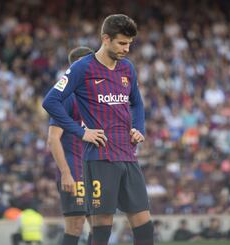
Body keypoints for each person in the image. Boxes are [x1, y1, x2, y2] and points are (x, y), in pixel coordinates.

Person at [42, 14, 153, 245]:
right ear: (106, 39)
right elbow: (50, 101)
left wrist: (138, 128)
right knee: (101, 223)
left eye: (130, 43)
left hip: (128, 155)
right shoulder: (82, 68)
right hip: (100, 158)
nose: (127, 49)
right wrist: (82, 132)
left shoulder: (127, 69)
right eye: (122, 43)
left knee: (144, 220)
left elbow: (138, 103)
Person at [47, 46, 93, 245]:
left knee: (102, 224)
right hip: (74, 172)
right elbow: (53, 138)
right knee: (75, 225)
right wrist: (65, 172)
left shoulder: (97, 98)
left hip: (96, 171)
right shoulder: (66, 97)